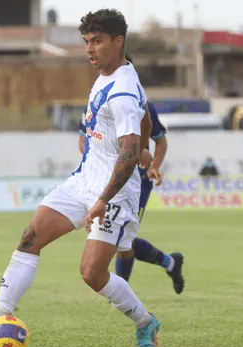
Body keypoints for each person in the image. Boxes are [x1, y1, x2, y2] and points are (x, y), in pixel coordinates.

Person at [0, 9, 162, 347]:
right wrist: (142, 147)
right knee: (30, 237)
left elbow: (126, 154)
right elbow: (143, 125)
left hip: (113, 192)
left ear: (118, 41)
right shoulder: (111, 75)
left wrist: (106, 194)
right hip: (83, 180)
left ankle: (145, 322)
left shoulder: (122, 90)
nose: (89, 50)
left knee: (92, 274)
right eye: (86, 42)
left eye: (97, 41)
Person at [77, 54, 185, 294]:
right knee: (119, 241)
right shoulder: (95, 100)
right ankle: (169, 263)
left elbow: (161, 141)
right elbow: (83, 142)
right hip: (104, 181)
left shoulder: (139, 104)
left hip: (134, 183)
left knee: (120, 242)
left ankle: (120, 292)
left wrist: (153, 165)